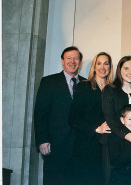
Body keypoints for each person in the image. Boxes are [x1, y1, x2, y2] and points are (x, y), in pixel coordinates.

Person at [34, 46, 86, 184]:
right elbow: (40, 113)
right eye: (68, 58)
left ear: (80, 62)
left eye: (76, 58)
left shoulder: (87, 84)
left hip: (80, 148)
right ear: (62, 61)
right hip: (55, 146)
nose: (72, 61)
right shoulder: (49, 82)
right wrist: (42, 140)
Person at [68, 52, 113, 184]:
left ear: (110, 67)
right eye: (99, 63)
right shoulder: (84, 86)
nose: (102, 67)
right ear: (94, 66)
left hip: (107, 145)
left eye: (106, 63)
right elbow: (73, 118)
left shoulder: (113, 89)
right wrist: (96, 129)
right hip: (88, 145)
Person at [102, 56, 131, 181]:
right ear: (119, 70)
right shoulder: (110, 90)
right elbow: (111, 120)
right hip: (117, 144)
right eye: (126, 68)